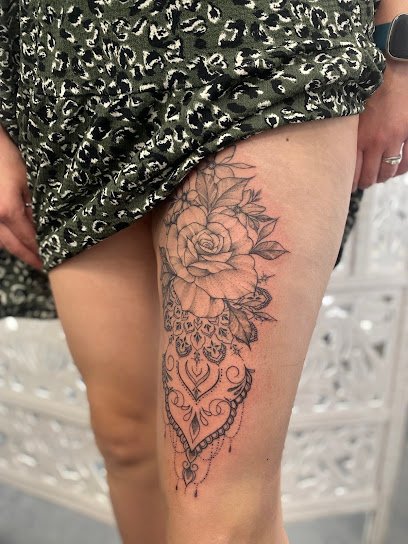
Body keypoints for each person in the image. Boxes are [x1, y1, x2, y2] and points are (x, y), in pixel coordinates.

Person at [0, 0, 407, 542]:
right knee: (128, 443)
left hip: (267, 38)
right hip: (68, 61)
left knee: (218, 508)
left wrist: (401, 53)